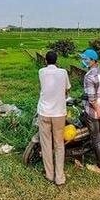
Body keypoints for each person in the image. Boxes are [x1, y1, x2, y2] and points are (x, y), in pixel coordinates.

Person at [37, 50, 71, 185]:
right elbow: (67, 89)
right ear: (57, 60)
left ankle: (49, 174)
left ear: (46, 61)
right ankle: (60, 177)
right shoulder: (63, 72)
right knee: (59, 144)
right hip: (59, 113)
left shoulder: (41, 72)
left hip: (44, 112)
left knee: (46, 143)